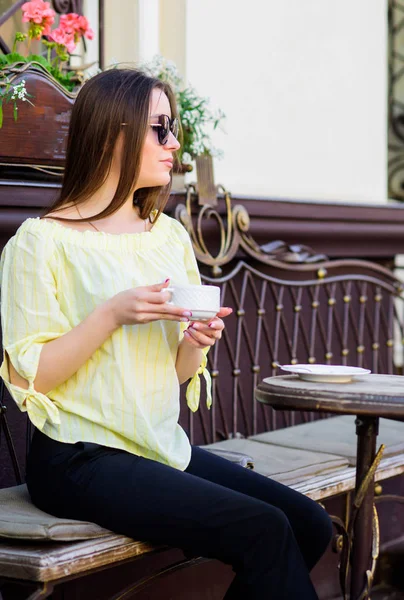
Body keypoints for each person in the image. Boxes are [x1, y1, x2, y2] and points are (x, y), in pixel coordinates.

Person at [0, 68, 332, 599]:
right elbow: (31, 378)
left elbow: (174, 373)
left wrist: (194, 343)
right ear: (114, 135)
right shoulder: (40, 243)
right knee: (263, 530)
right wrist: (110, 315)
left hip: (155, 444)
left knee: (309, 524)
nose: (174, 142)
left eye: (172, 126)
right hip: (79, 456)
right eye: (160, 128)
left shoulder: (168, 235)